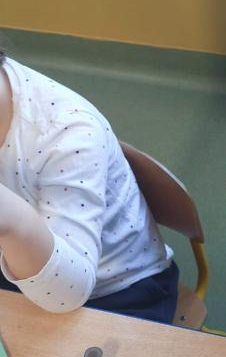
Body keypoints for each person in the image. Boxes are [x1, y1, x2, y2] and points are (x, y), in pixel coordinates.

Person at [0, 51, 178, 323]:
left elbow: (69, 294)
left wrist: (13, 219)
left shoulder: (67, 132)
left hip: (117, 289)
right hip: (18, 266)